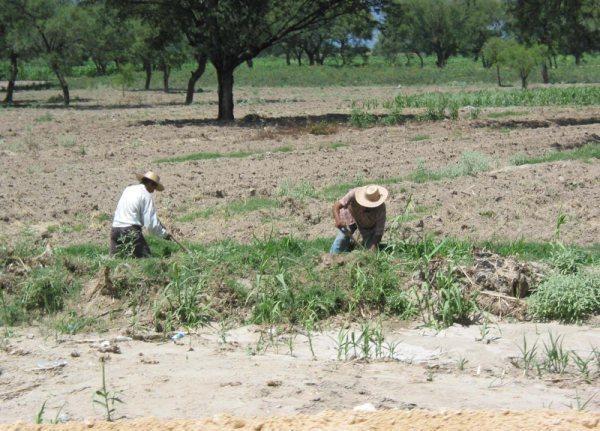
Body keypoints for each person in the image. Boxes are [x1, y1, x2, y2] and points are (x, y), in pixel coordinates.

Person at [110, 171, 172, 258]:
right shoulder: (145, 195)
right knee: (147, 260)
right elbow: (150, 224)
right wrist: (164, 234)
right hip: (130, 230)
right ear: (150, 183)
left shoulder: (128, 189)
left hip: (115, 229)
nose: (154, 190)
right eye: (154, 187)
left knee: (116, 260)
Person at [330, 184, 388, 254]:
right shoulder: (354, 194)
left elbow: (379, 232)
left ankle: (352, 245)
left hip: (367, 224)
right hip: (349, 216)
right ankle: (332, 257)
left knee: (369, 248)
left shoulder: (381, 208)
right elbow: (336, 206)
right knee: (341, 240)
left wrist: (373, 247)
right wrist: (338, 220)